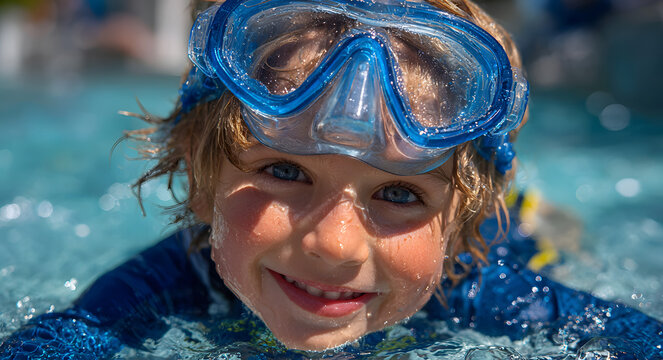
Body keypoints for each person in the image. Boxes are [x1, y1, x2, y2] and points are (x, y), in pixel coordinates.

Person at [1, 0, 662, 358]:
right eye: (284, 171)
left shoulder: (481, 289)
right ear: (200, 182)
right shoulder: (169, 281)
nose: (332, 245)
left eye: (398, 192)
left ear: (454, 229)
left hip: (505, 231)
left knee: (548, 236)